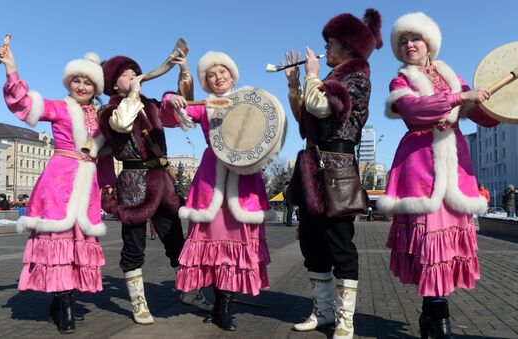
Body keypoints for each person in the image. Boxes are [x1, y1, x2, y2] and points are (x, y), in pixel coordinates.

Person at [376, 12, 500, 338]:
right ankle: (439, 315)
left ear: (429, 43)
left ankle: (432, 314)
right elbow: (416, 111)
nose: (408, 45)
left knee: (446, 246)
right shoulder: (400, 80)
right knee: (430, 242)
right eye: (402, 41)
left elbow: (480, 114)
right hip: (419, 166)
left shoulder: (450, 74)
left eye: (414, 38)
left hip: (455, 166)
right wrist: (461, 97)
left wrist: (497, 105)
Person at [281, 9, 382, 339]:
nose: (324, 49)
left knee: (341, 245)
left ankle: (344, 319)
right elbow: (305, 118)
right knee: (311, 242)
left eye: (330, 42)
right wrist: (296, 86)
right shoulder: (331, 79)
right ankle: (323, 311)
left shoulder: (356, 78)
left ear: (349, 46)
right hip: (312, 168)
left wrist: (311, 75)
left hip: (336, 168)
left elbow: (323, 107)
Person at [0, 44, 106, 334]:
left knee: (76, 245)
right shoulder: (59, 108)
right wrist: (11, 68)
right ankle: (65, 303)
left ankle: (63, 300)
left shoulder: (104, 115)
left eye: (88, 81)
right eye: (76, 80)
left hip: (88, 184)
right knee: (59, 241)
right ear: (68, 82)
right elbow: (23, 105)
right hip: (59, 181)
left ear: (96, 87)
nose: (81, 86)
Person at [98, 54, 211, 325]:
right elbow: (122, 123)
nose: (133, 77)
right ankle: (138, 301)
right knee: (134, 247)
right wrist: (134, 95)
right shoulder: (110, 110)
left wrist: (178, 84)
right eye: (126, 74)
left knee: (176, 241)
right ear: (113, 85)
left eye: (134, 73)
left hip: (161, 181)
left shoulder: (151, 105)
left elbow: (180, 117)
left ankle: (189, 291)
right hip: (134, 181)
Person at [173, 51, 272, 331]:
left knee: (237, 245)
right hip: (211, 180)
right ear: (206, 81)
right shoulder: (203, 105)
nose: (218, 77)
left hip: (244, 180)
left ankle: (224, 307)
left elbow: (266, 133)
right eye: (212, 74)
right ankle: (219, 304)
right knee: (214, 245)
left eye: (223, 72)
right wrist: (175, 95)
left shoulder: (249, 101)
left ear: (232, 75)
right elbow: (175, 111)